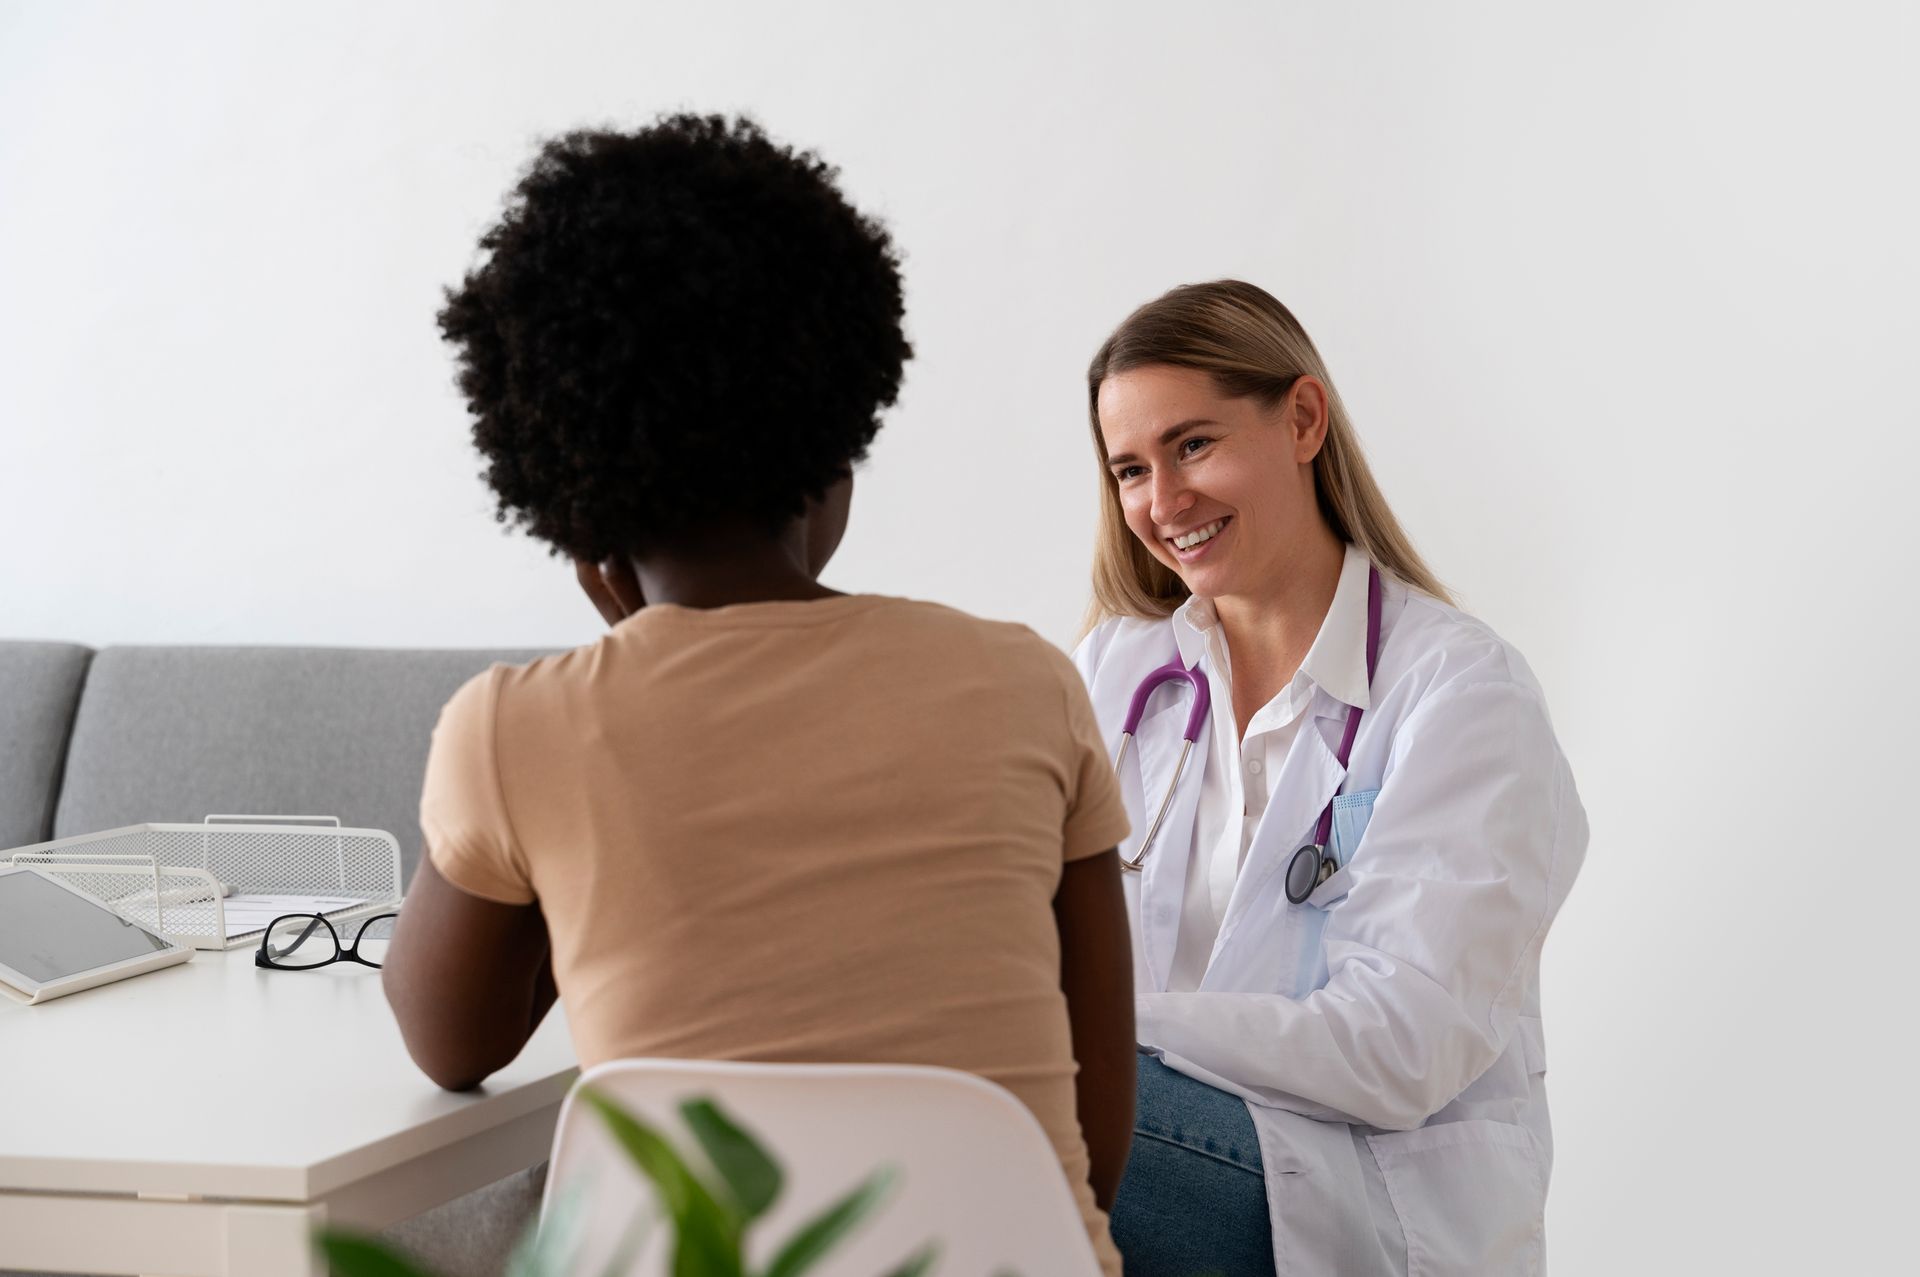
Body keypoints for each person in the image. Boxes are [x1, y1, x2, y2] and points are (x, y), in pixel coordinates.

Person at [379, 114, 1135, 1274]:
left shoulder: (517, 725)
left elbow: (451, 1040)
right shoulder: (1027, 680)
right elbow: (1094, 1146)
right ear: (834, 453)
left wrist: (636, 659)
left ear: (572, 508)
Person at [1073, 280, 1587, 1276]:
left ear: (1303, 419)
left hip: (1357, 1199)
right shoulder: (1117, 673)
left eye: (1193, 445)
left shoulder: (1461, 693)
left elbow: (1399, 1044)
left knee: (1034, 1088)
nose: (1163, 502)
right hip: (1151, 1154)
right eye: (1130, 468)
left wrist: (1094, 1016)